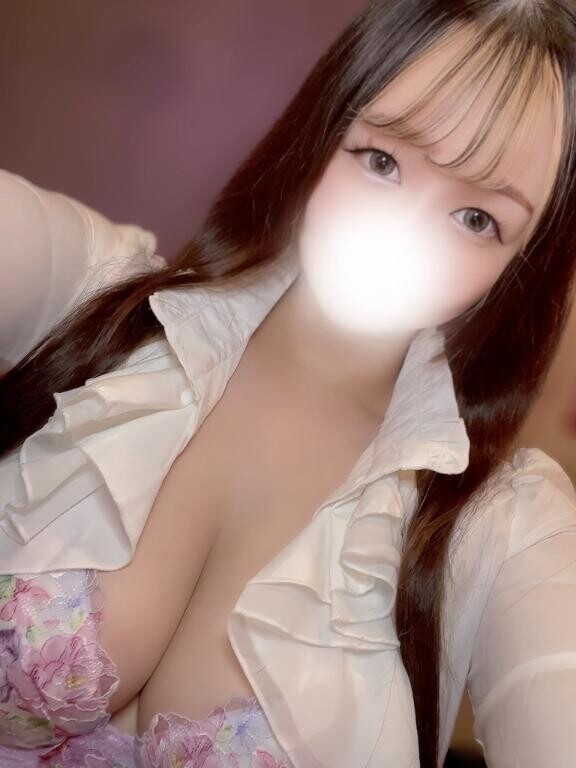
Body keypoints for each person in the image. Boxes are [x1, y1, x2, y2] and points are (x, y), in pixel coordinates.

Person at [1, 1, 576, 766]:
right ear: (323, 130)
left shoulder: (503, 524)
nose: (405, 229)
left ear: (520, 270)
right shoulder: (96, 300)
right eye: (382, 161)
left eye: (477, 218)